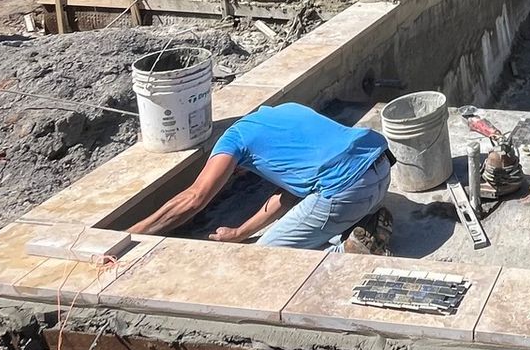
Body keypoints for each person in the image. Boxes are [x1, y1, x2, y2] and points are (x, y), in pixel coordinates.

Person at [129, 102, 392, 250]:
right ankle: (365, 226)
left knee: (265, 252)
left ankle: (346, 252)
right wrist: (239, 233)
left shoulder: (233, 140)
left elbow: (195, 198)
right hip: (381, 168)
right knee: (319, 208)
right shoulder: (283, 111)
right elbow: (288, 196)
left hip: (346, 190)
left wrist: (132, 233)